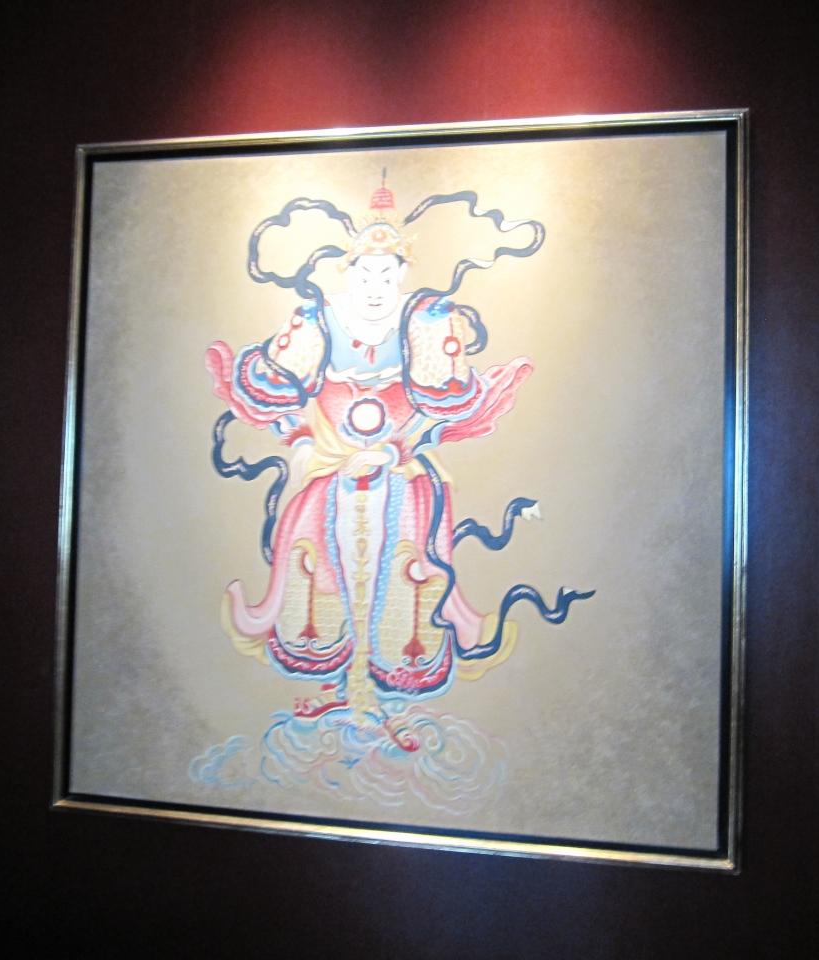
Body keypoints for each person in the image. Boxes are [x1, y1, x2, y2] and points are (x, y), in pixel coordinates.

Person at [205, 177, 561, 742]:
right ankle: (335, 682)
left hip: (399, 475)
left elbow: (443, 404)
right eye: (366, 274)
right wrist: (309, 445)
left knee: (406, 574)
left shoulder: (427, 321)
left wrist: (396, 446)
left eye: (387, 275)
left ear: (402, 274)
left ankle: (389, 690)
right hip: (329, 473)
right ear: (348, 272)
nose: (376, 287)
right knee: (316, 569)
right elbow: (280, 394)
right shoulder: (317, 318)